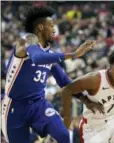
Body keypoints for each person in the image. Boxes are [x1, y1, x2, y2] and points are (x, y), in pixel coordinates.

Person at [1, 6, 103, 143]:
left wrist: (87, 101)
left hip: (38, 105)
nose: (55, 29)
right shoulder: (26, 41)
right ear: (41, 27)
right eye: (51, 25)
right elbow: (37, 57)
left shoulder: (49, 55)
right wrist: (73, 54)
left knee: (64, 136)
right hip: (14, 107)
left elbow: (64, 81)